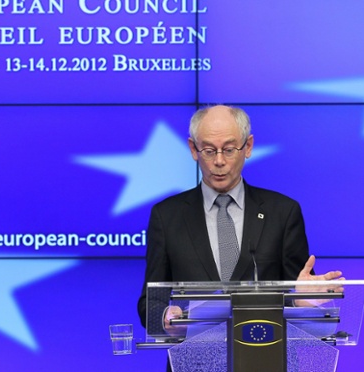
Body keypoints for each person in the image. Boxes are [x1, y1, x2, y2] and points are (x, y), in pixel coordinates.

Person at [137, 105, 343, 336]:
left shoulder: (283, 213)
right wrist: (166, 317)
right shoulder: (166, 216)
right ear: (193, 149)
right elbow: (150, 303)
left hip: (265, 356)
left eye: (229, 149)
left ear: (248, 146)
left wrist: (301, 300)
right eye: (208, 150)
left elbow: (296, 295)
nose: (219, 161)